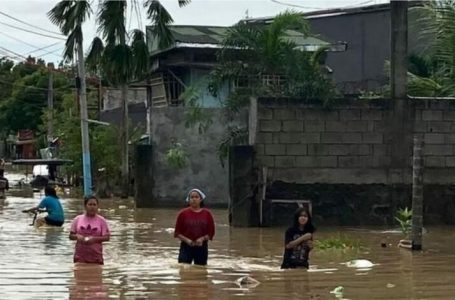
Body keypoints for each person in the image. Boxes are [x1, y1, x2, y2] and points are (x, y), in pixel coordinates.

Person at [174, 188, 215, 266]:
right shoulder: (183, 214)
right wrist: (187, 240)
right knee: (184, 268)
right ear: (188, 200)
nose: (194, 199)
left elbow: (211, 232)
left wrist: (202, 239)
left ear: (201, 199)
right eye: (192, 197)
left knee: (201, 269)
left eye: (196, 197)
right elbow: (177, 232)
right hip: (186, 246)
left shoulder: (207, 214)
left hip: (201, 246)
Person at [69, 195, 110, 264]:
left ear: (97, 206)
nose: (92, 207)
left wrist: (94, 239)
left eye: (94, 205)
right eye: (90, 204)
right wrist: (77, 237)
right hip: (80, 257)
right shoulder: (77, 219)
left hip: (96, 257)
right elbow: (71, 236)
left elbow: (107, 237)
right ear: (85, 206)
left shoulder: (102, 220)